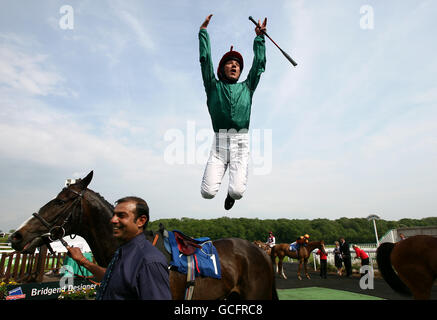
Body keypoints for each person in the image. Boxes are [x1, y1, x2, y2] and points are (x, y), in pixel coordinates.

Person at [198, 14, 267, 210]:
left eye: (237, 63)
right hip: (219, 145)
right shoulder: (212, 86)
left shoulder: (248, 87)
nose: (234, 65)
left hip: (240, 144)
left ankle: (230, 194)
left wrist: (260, 38)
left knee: (237, 192)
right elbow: (205, 62)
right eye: (230, 62)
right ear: (222, 69)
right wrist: (203, 34)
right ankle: (222, 183)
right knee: (207, 193)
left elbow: (259, 66)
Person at [67, 196, 172, 300]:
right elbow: (111, 279)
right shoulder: (123, 251)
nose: (113, 220)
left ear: (141, 221)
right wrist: (82, 260)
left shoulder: (149, 261)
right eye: (113, 215)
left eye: (121, 215)